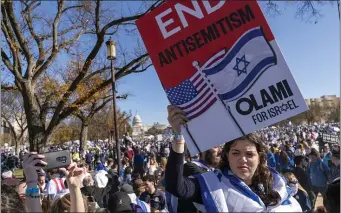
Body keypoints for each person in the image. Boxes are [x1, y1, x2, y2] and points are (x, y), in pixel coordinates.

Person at [165, 105, 302, 212]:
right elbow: (176, 186)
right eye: (235, 153)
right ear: (227, 156)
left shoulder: (276, 183)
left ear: (259, 158)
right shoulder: (213, 185)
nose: (242, 159)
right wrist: (179, 135)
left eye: (249, 154)